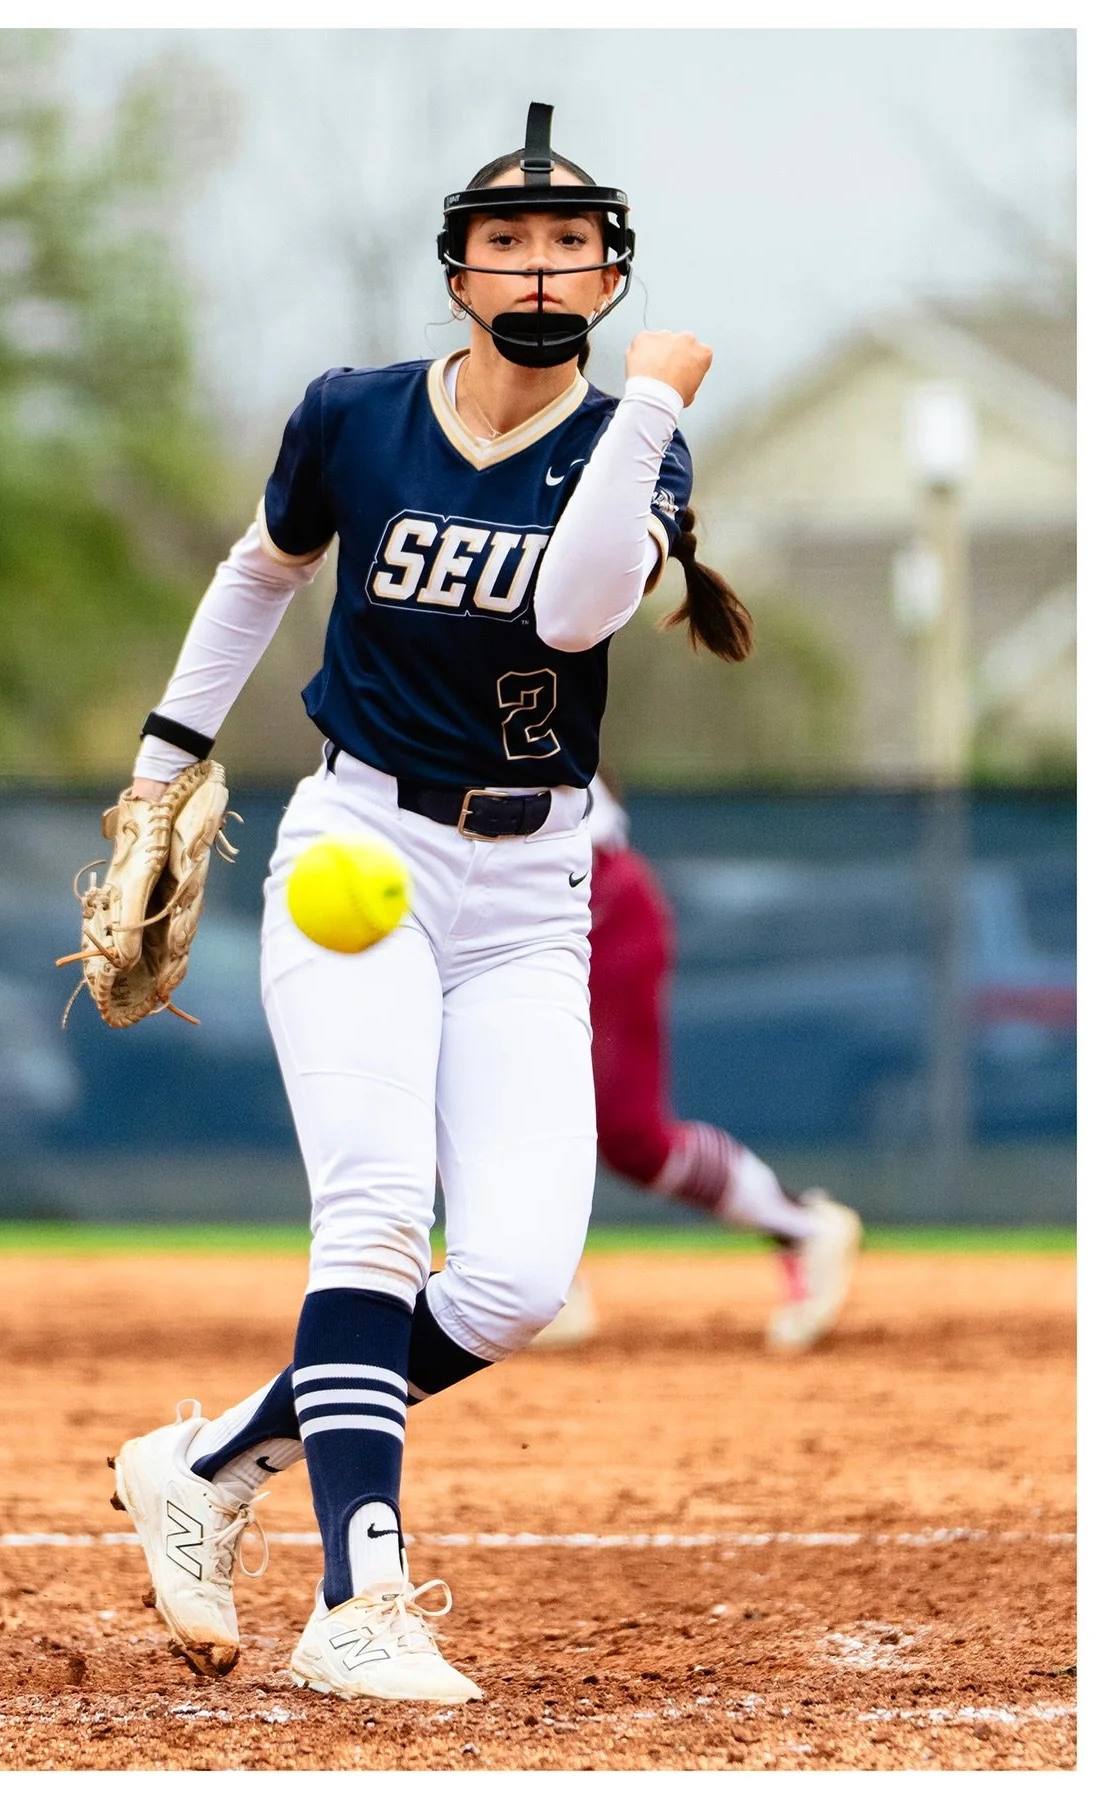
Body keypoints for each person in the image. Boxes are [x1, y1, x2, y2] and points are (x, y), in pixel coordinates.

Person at [108, 102, 752, 1705]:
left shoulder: (634, 443)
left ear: (612, 270)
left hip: (537, 888)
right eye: (506, 241)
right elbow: (264, 567)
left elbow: (575, 599)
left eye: (568, 243)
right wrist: (163, 766)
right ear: (456, 265)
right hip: (363, 860)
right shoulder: (355, 415)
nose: (537, 266)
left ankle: (205, 1462)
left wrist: (651, 404)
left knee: (519, 1277)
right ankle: (359, 1596)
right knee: (378, 1217)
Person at [530, 776, 863, 1355]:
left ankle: (804, 1227)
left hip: (596, 904)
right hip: (505, 915)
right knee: (464, 1100)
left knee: (630, 1136)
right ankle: (541, 1285)